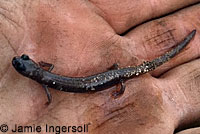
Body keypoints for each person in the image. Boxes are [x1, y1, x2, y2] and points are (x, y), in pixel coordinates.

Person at [0, 0, 199, 134]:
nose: (22, 60)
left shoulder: (44, 82)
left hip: (117, 76)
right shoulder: (45, 74)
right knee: (121, 74)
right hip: (115, 74)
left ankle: (183, 44)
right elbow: (49, 71)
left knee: (123, 75)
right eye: (23, 66)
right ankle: (181, 45)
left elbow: (49, 95)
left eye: (25, 61)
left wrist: (120, 89)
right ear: (34, 73)